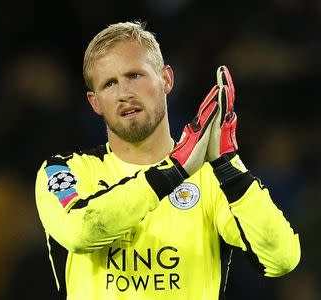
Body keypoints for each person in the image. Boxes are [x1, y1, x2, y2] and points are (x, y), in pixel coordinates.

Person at [35, 21, 300, 300]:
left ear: (166, 79)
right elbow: (80, 231)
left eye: (134, 75)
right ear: (95, 102)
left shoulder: (211, 179)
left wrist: (228, 166)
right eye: (109, 84)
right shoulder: (63, 170)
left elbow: (281, 258)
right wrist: (174, 171)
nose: (124, 93)